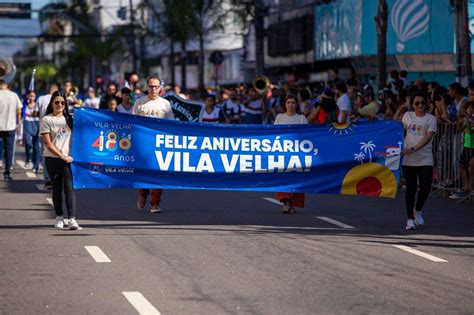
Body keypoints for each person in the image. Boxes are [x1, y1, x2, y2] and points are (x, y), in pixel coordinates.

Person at [133, 76, 174, 213]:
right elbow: (132, 122)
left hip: (160, 144)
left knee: (158, 174)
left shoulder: (165, 104)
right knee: (143, 173)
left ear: (160, 87)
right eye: (151, 86)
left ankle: (155, 204)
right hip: (143, 144)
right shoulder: (140, 103)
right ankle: (143, 194)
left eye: (156, 86)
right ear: (147, 87)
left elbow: (171, 124)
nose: (154, 89)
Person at [40, 91, 80, 230]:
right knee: (57, 190)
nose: (60, 105)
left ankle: (72, 219)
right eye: (57, 102)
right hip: (52, 159)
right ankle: (59, 218)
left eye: (62, 102)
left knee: (69, 189)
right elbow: (48, 144)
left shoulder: (70, 119)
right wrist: (61, 156)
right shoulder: (46, 120)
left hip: (68, 160)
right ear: (52, 103)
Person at [401, 91, 437, 230]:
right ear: (412, 105)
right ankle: (410, 219)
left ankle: (418, 209)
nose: (420, 105)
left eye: (422, 102)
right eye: (417, 103)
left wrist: (413, 148)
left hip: (425, 156)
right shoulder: (407, 116)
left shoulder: (431, 119)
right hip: (408, 158)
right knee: (410, 188)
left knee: (426, 185)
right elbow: (398, 130)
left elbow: (428, 137)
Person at [274, 94, 308, 213]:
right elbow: (274, 134)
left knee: (295, 178)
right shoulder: (280, 117)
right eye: (288, 102)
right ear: (285, 104)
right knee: (283, 178)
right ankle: (286, 203)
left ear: (296, 104)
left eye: (293, 102)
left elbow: (306, 136)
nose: (290, 105)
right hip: (282, 153)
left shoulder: (301, 118)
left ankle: (291, 203)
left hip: (297, 154)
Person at [450, 102, 474, 199]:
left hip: (473, 147)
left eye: (469, 109)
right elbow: (460, 129)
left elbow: (471, 131)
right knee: (462, 165)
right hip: (466, 145)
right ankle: (466, 186)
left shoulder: (471, 119)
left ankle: (471, 188)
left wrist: (467, 118)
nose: (467, 110)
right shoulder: (467, 119)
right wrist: (458, 118)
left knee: (471, 167)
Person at [37, 84, 59, 188]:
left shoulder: (41, 98)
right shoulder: (59, 99)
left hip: (44, 129)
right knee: (58, 152)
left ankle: (47, 178)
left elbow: (37, 113)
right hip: (57, 129)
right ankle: (56, 177)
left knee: (45, 153)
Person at [0, 79, 22, 181]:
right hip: (10, 126)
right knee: (9, 150)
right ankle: (7, 173)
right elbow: (19, 111)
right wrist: (19, 123)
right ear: (7, 85)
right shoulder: (14, 95)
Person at [23, 90, 40, 172]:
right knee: (28, 143)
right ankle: (28, 158)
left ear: (35, 97)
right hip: (27, 125)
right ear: (28, 97)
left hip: (36, 125)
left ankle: (35, 165)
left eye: (33, 96)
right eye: (30, 96)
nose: (32, 97)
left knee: (36, 146)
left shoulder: (38, 105)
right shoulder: (24, 105)